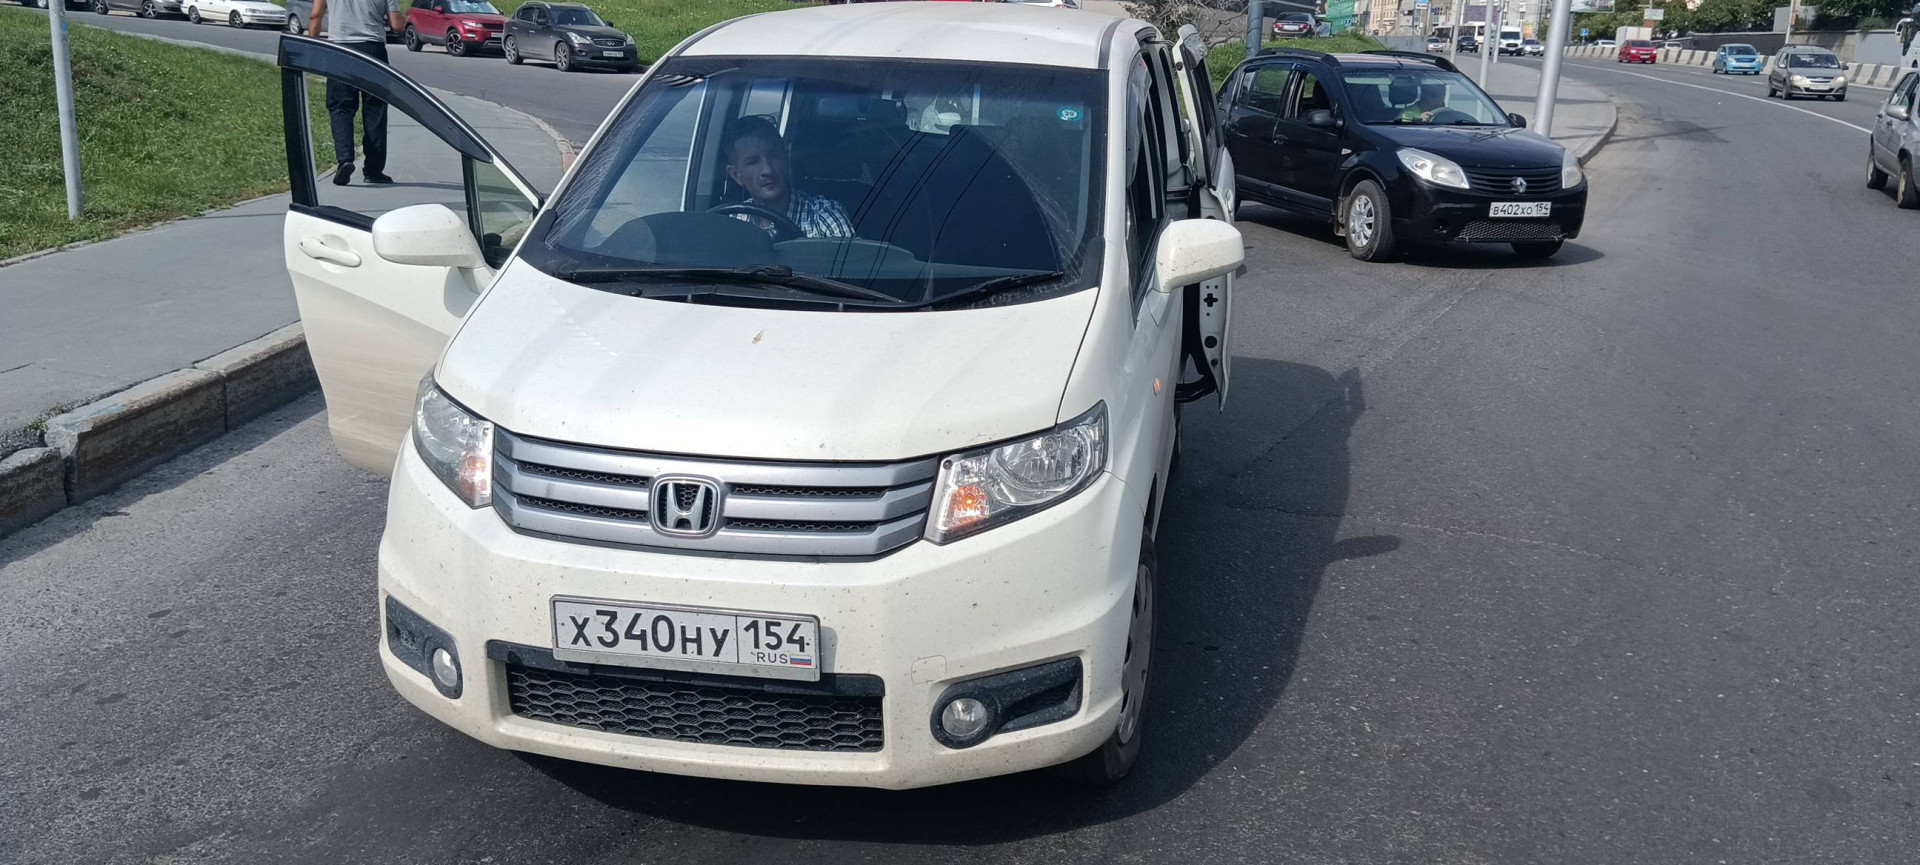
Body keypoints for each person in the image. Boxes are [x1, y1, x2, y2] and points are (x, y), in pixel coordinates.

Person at [309, 0, 404, 186]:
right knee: (375, 109)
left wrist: (312, 50)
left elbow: (315, 16)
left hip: (339, 49)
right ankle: (373, 170)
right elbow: (397, 25)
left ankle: (345, 160)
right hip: (373, 50)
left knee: (340, 107)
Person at [719, 116, 854, 239]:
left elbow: (849, 258)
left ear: (786, 157)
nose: (767, 170)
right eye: (753, 162)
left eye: (774, 156)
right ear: (736, 175)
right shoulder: (732, 224)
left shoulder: (823, 217)